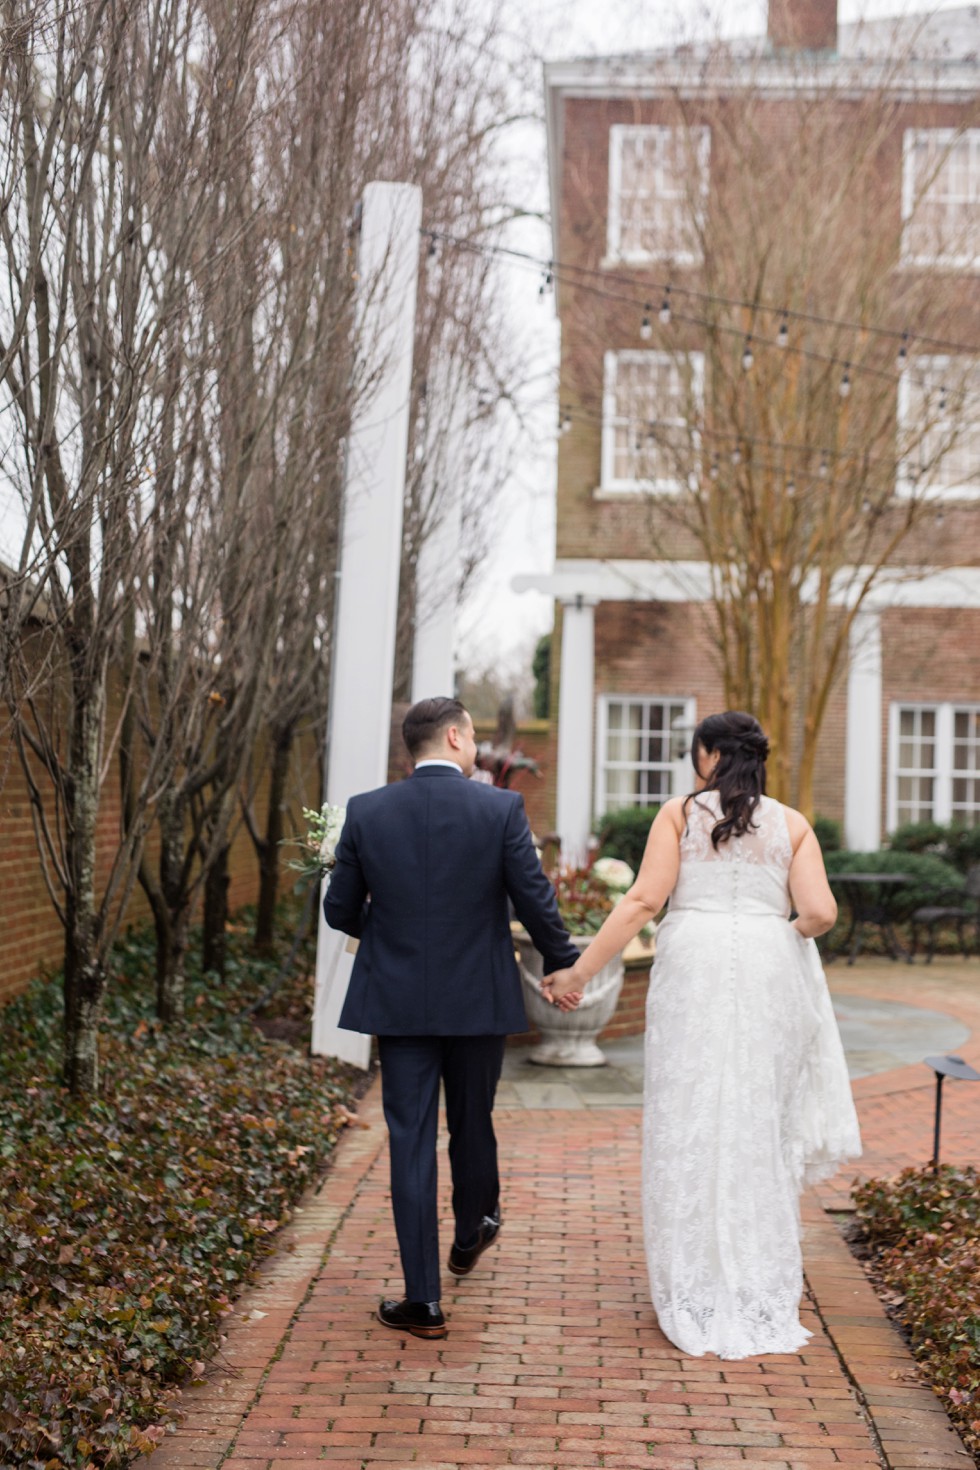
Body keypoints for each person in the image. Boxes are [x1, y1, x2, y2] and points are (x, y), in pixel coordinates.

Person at [543, 710, 861, 1360]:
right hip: (770, 968)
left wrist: (579, 970)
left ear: (711, 754)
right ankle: (756, 1287)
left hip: (694, 966)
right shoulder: (793, 825)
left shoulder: (681, 814)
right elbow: (821, 913)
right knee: (754, 1117)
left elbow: (640, 902)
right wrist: (780, 935)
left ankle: (691, 1288)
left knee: (689, 1114)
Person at [325, 695, 580, 1340]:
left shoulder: (367, 810)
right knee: (472, 1118)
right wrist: (562, 962)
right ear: (460, 739)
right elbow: (533, 896)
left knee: (409, 1138)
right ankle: (473, 1228)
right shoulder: (500, 808)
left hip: (401, 1000)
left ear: (413, 748)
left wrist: (386, 934)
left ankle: (424, 1300)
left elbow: (339, 911)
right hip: (476, 997)